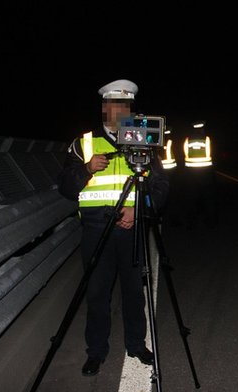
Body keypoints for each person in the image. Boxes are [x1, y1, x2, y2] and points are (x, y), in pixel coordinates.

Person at [57, 79, 169, 376]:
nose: (119, 111)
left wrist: (138, 209)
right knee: (97, 294)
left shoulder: (144, 139)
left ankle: (136, 345)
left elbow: (161, 186)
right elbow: (65, 188)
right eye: (113, 105)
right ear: (104, 108)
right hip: (96, 230)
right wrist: (86, 169)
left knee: (134, 293)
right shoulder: (83, 143)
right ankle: (96, 351)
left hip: (132, 229)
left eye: (125, 106)